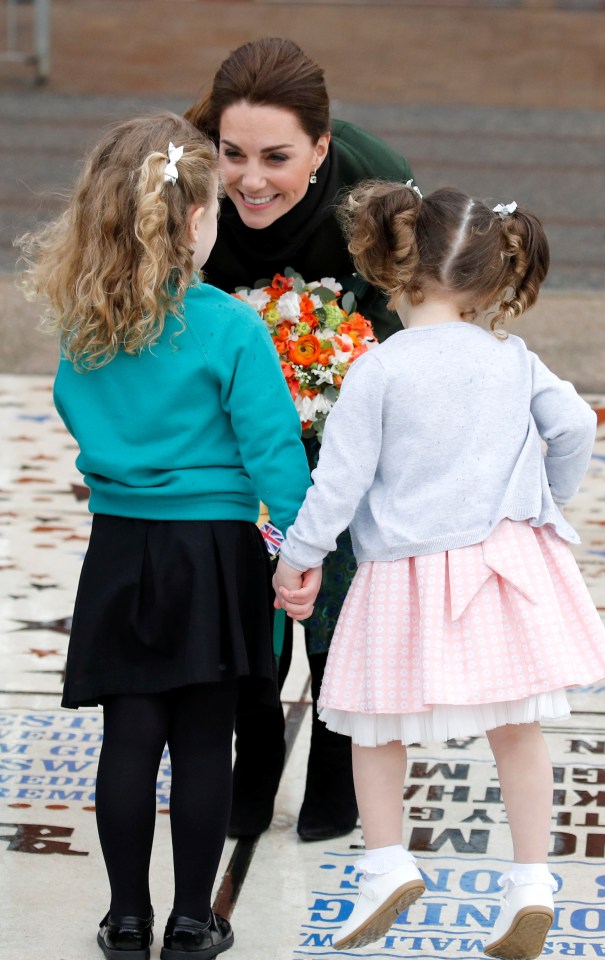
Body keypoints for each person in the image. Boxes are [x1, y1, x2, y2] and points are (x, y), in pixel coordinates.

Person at [272, 181, 605, 958]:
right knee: (517, 729)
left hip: (405, 575)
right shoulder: (511, 357)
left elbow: (341, 481)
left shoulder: (381, 369)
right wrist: (541, 500)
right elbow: (570, 426)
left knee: (375, 724)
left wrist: (298, 558)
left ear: (398, 270)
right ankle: (531, 883)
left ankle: (387, 864)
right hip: (506, 564)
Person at [17, 112, 312, 960]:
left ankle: (125, 918)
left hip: (119, 548)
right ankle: (193, 918)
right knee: (204, 741)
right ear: (193, 221)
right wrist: (299, 549)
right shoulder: (228, 326)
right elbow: (273, 452)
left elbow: (77, 412)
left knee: (128, 740)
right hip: (215, 554)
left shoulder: (86, 320)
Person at [185, 36, 415, 843]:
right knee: (244, 598)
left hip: (345, 408)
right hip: (226, 415)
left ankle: (333, 759)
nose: (249, 180)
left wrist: (337, 388)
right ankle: (250, 766)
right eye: (232, 153)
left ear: (321, 147)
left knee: (334, 596)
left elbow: (408, 325)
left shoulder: (377, 186)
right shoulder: (185, 181)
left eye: (276, 157)